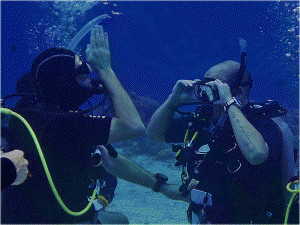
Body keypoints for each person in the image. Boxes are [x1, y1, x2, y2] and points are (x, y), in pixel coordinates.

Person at [1, 25, 186, 224]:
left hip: (57, 214)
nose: (91, 82)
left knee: (119, 221)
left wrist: (163, 188)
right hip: (51, 219)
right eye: (83, 76)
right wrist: (105, 68)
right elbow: (133, 126)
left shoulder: (42, 117)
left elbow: (111, 158)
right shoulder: (61, 124)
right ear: (64, 83)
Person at [146, 60, 296, 224]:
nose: (207, 94)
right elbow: (155, 134)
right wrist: (172, 99)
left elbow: (256, 154)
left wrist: (229, 102)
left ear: (238, 91)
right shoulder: (205, 120)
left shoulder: (264, 124)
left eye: (215, 87)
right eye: (205, 85)